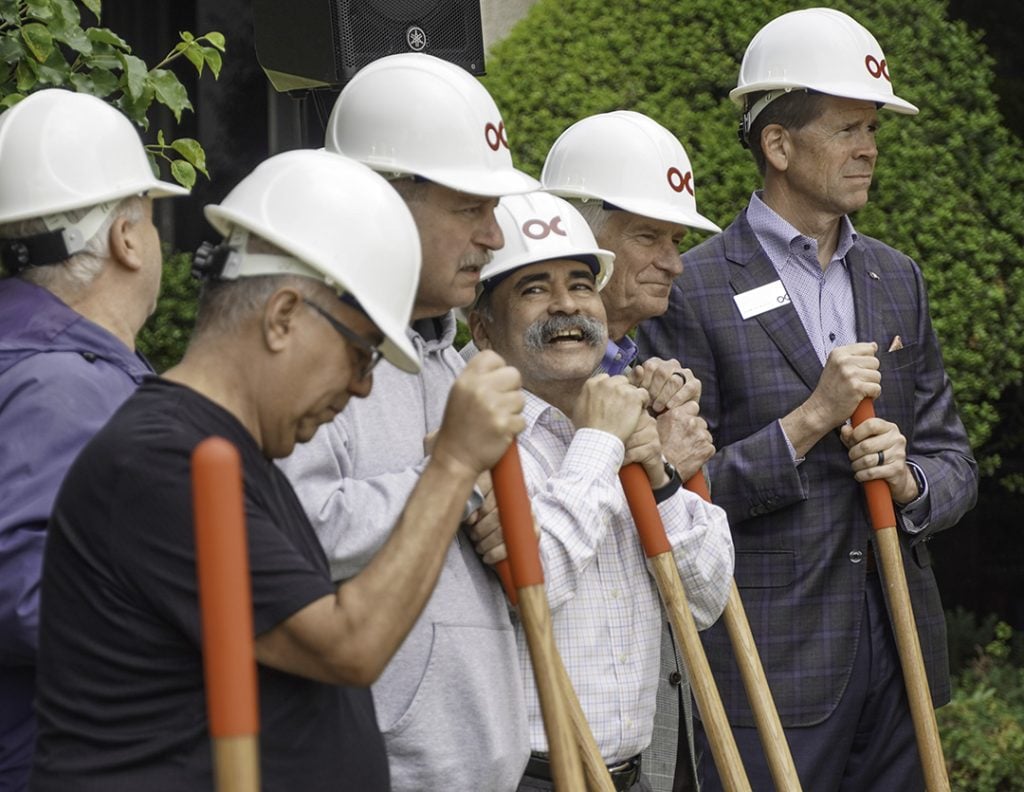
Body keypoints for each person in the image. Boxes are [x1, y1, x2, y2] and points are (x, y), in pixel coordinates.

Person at [30, 149, 526, 791]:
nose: (362, 387)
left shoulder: (231, 457)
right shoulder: (162, 461)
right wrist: (453, 465)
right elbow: (349, 644)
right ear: (283, 316)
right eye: (361, 353)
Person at [637, 9, 979, 790]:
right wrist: (807, 423)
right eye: (848, 129)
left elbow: (953, 458)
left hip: (902, 661)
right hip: (772, 668)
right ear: (778, 145)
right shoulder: (692, 289)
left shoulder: (898, 278)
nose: (870, 147)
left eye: (873, 130)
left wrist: (912, 481)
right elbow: (675, 498)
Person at [276, 53, 539, 791]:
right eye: (470, 208)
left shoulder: (456, 367)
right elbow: (299, 537)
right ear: (380, 199)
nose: (495, 237)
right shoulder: (308, 360)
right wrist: (442, 477)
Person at [467, 191, 734, 792]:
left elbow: (706, 598)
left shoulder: (624, 424)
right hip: (532, 777)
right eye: (534, 289)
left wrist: (660, 474)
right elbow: (537, 584)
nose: (567, 305)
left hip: (634, 776)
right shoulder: (481, 439)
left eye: (582, 285)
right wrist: (598, 445)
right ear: (483, 328)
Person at [0, 88, 189, 792]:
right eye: (151, 217)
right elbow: (31, 600)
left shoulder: (45, 364)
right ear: (126, 238)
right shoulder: (61, 384)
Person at [540, 110, 723, 791]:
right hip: (553, 748)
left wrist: (669, 467)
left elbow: (704, 591)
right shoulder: (506, 380)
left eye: (676, 238)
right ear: (581, 237)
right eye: (648, 235)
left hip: (651, 735)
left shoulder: (652, 374)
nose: (674, 261)